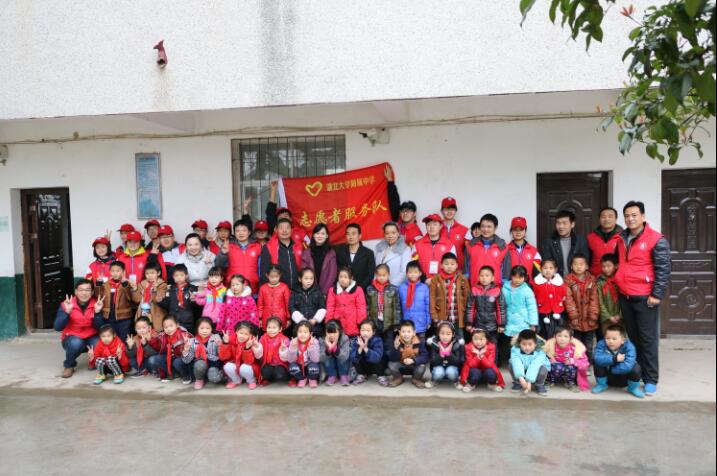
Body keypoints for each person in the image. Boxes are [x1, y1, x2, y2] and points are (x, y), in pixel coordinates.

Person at [614, 201, 670, 396]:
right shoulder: (621, 238)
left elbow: (663, 269)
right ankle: (636, 374)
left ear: (643, 216)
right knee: (634, 339)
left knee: (648, 340)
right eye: (627, 215)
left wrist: (656, 295)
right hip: (626, 296)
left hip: (645, 297)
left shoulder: (656, 239)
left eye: (634, 215)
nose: (630, 219)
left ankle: (651, 379)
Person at [53, 279, 101, 378]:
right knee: (76, 343)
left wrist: (97, 313)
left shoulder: (97, 304)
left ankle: (93, 361)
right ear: (76, 292)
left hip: (91, 336)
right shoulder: (66, 304)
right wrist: (67, 312)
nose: (84, 293)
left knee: (100, 343)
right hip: (72, 338)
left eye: (87, 290)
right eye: (81, 290)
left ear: (92, 292)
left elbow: (100, 327)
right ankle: (69, 366)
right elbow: (58, 327)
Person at [592, 324, 645, 398]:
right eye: (607, 338)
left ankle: (632, 388)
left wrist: (612, 369)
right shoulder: (601, 344)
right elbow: (597, 358)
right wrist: (614, 359)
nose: (610, 341)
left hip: (624, 379)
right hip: (608, 378)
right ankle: (602, 385)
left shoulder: (629, 347)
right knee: (598, 363)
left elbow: (628, 365)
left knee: (636, 367)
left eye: (614, 339)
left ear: (623, 340)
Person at [500, 265, 538, 367]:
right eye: (515, 277)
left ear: (525, 278)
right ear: (511, 276)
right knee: (508, 343)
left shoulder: (527, 290)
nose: (517, 280)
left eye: (520, 277)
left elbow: (532, 307)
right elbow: (500, 305)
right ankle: (510, 362)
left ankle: (522, 363)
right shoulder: (505, 288)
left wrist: (533, 323)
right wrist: (500, 321)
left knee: (521, 342)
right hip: (508, 319)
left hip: (522, 320)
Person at [564, 254, 599, 363]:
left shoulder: (592, 280)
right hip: (576, 320)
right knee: (577, 343)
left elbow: (594, 299)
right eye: (575, 264)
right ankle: (578, 363)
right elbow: (568, 300)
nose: (578, 267)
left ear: (587, 266)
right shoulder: (568, 280)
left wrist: (593, 316)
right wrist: (573, 316)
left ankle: (587, 363)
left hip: (589, 320)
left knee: (588, 344)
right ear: (571, 266)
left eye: (581, 264)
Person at [465, 265, 506, 354]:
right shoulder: (474, 290)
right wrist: (469, 323)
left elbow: (501, 309)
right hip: (478, 324)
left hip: (492, 325)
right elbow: (470, 308)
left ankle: (493, 362)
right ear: (478, 277)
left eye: (487, 276)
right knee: (477, 346)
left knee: (493, 347)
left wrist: (501, 324)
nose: (484, 278)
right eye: (482, 276)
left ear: (492, 278)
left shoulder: (497, 290)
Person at [429, 252, 470, 339]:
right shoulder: (436, 279)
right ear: (441, 265)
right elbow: (432, 298)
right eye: (446, 264)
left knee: (459, 341)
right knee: (442, 341)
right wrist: (434, 315)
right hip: (442, 317)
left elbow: (467, 298)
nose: (449, 266)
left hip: (458, 318)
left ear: (457, 265)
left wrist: (467, 316)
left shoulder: (462, 279)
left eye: (452, 264)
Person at [540, 210, 591, 278]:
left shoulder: (581, 241)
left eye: (564, 223)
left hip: (576, 281)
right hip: (556, 280)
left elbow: (585, 262)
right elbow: (546, 264)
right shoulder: (548, 242)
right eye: (558, 223)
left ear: (572, 224)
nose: (561, 226)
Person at [215, 218, 262, 292]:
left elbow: (261, 269)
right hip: (233, 288)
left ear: (249, 232)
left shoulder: (257, 246)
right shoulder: (228, 246)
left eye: (244, 230)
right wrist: (223, 253)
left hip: (253, 288)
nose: (241, 233)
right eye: (237, 231)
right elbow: (219, 266)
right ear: (234, 233)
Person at [465, 214, 508, 287]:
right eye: (483, 226)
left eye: (489, 227)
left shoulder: (503, 246)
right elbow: (466, 270)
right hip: (475, 288)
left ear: (495, 228)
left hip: (495, 289)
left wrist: (503, 285)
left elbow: (506, 271)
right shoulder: (471, 245)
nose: (485, 229)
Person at [95, 261, 134, 341]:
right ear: (109, 272)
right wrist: (99, 284)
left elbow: (130, 298)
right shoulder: (105, 284)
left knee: (124, 340)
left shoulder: (128, 283)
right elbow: (98, 296)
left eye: (118, 271)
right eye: (112, 271)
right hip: (109, 318)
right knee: (111, 340)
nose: (115, 273)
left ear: (123, 272)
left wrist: (125, 285)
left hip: (124, 318)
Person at [147, 315, 193, 383]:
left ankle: (186, 375)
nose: (169, 329)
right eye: (166, 327)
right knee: (157, 358)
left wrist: (186, 343)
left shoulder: (184, 334)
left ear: (177, 325)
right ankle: (173, 374)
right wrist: (151, 340)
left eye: (171, 326)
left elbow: (192, 350)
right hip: (170, 358)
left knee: (177, 362)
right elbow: (159, 348)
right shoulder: (163, 336)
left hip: (182, 359)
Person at [181, 317, 224, 389]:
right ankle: (199, 379)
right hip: (200, 366)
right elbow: (186, 361)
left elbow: (222, 356)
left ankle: (219, 373)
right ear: (197, 329)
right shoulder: (192, 341)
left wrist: (220, 346)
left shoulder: (216, 338)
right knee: (199, 363)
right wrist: (186, 350)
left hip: (213, 364)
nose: (204, 331)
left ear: (211, 329)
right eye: (202, 328)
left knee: (215, 378)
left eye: (207, 328)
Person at [259, 218, 303, 288]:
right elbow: (264, 272)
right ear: (276, 230)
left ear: (292, 230)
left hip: (297, 289)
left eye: (287, 228)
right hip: (277, 289)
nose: (284, 230)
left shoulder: (299, 246)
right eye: (281, 228)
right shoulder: (268, 247)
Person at [266, 181, 311, 247]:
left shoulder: (300, 232)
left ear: (290, 219)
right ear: (277, 220)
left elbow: (310, 247)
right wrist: (273, 190)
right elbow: (270, 212)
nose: (283, 217)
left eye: (286, 216)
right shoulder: (275, 230)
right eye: (281, 216)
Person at [385, 319, 429, 388]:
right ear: (399, 332)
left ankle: (416, 379)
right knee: (391, 364)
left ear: (414, 333)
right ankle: (398, 378)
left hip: (414, 366)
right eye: (403, 332)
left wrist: (414, 360)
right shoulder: (397, 342)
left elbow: (425, 357)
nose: (406, 334)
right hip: (401, 365)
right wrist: (396, 348)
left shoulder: (419, 342)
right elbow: (392, 358)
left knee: (422, 366)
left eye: (409, 332)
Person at [366, 264, 402, 346]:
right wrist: (368, 321)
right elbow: (367, 307)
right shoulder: (370, 288)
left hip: (389, 324)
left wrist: (396, 324)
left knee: (388, 344)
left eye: (384, 275)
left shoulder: (394, 289)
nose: (381, 277)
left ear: (388, 275)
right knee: (375, 344)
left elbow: (397, 308)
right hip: (374, 322)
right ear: (376, 275)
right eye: (379, 275)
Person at [544, 327, 590, 392]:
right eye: (559, 336)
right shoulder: (550, 346)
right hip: (555, 369)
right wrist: (549, 360)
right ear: (555, 337)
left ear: (571, 338)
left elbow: (584, 363)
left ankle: (569, 382)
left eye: (566, 336)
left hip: (569, 370)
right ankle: (549, 381)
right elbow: (542, 358)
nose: (562, 339)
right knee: (554, 366)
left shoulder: (576, 348)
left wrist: (572, 361)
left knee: (571, 367)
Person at [219, 321, 263, 390]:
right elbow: (223, 357)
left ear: (250, 335)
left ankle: (251, 381)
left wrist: (247, 348)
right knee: (227, 366)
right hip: (236, 365)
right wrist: (225, 343)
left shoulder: (251, 342)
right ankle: (236, 380)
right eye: (241, 333)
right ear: (236, 332)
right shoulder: (231, 340)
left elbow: (249, 362)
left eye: (246, 334)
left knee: (244, 367)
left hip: (249, 368)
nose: (242, 336)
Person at [326, 267, 367, 338]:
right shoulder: (332, 290)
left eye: (345, 277)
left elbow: (361, 307)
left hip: (353, 323)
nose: (342, 279)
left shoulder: (358, 290)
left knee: (353, 342)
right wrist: (329, 322)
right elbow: (330, 307)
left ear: (351, 278)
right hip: (338, 322)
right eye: (340, 277)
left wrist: (361, 323)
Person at [413, 214, 455, 283]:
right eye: (429, 224)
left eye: (435, 224)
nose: (432, 227)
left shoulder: (449, 245)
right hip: (422, 283)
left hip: (443, 283)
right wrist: (424, 279)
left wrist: (440, 280)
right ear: (426, 226)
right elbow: (413, 264)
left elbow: (452, 266)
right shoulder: (417, 244)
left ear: (440, 226)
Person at [532, 259, 567, 339]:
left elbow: (563, 296)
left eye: (551, 268)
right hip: (542, 312)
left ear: (555, 270)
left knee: (557, 333)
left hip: (557, 312)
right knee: (543, 333)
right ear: (541, 269)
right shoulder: (536, 283)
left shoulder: (560, 283)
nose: (548, 270)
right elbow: (534, 297)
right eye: (545, 268)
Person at [509, 329, 550, 396]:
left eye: (530, 344)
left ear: (535, 344)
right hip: (522, 369)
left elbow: (535, 365)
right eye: (524, 344)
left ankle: (539, 384)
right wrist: (521, 378)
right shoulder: (515, 350)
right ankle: (518, 382)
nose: (527, 347)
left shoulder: (541, 351)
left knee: (543, 368)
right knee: (511, 364)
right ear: (519, 343)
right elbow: (517, 363)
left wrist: (529, 381)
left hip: (535, 369)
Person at [335, 223, 376, 290]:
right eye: (348, 234)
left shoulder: (368, 253)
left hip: (362, 290)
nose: (350, 237)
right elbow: (338, 270)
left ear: (360, 236)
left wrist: (359, 289)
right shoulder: (340, 252)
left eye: (353, 234)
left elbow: (370, 275)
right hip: (343, 289)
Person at [158, 264, 198, 334]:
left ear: (186, 276)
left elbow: (198, 307)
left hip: (187, 322)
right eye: (176, 275)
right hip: (173, 322)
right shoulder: (170, 289)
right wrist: (160, 301)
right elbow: (167, 306)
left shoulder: (193, 289)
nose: (179, 277)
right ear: (173, 277)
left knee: (188, 338)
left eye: (181, 275)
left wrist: (194, 300)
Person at [301, 223, 338, 297]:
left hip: (327, 293)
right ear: (313, 235)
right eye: (317, 233)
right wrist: (311, 291)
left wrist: (324, 293)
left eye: (322, 233)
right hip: (309, 292)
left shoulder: (331, 252)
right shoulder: (307, 252)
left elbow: (332, 275)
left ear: (327, 236)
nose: (320, 236)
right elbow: (304, 273)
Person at [281, 320, 320, 388]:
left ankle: (312, 379)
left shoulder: (314, 342)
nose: (302, 334)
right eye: (300, 332)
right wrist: (293, 347)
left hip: (310, 365)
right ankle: (302, 379)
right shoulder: (293, 342)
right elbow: (290, 360)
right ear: (297, 333)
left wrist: (311, 347)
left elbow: (316, 360)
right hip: (299, 365)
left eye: (305, 332)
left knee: (314, 368)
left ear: (310, 334)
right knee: (292, 367)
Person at [425, 321, 464, 389]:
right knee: (438, 372)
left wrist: (449, 354)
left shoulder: (457, 343)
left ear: (453, 334)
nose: (445, 337)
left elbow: (459, 362)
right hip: (438, 367)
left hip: (452, 368)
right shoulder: (434, 343)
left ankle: (456, 381)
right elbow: (432, 361)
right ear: (438, 334)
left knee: (451, 371)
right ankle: (434, 380)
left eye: (448, 334)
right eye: (442, 333)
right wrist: (441, 355)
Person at [502, 217, 541, 283]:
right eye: (515, 229)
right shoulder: (505, 249)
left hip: (528, 286)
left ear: (525, 231)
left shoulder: (534, 251)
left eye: (521, 229)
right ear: (511, 231)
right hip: (510, 286)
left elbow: (538, 272)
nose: (518, 232)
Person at [398, 261, 431, 339]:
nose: (413, 274)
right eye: (410, 272)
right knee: (407, 345)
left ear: (420, 273)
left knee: (421, 344)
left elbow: (428, 305)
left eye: (415, 272)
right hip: (406, 325)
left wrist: (428, 321)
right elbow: (398, 307)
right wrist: (399, 322)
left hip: (421, 322)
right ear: (406, 274)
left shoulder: (424, 288)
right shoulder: (401, 288)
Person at [587, 207, 623, 277]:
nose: (606, 219)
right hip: (595, 277)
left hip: (616, 278)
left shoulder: (623, 237)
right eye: (603, 217)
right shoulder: (590, 237)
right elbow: (587, 259)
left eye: (610, 216)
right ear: (599, 219)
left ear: (616, 219)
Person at [130, 262, 167, 330]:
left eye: (152, 273)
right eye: (147, 273)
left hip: (156, 316)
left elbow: (158, 300)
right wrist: (135, 289)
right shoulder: (142, 284)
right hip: (142, 313)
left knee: (154, 334)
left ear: (158, 273)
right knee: (143, 332)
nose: (150, 275)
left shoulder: (162, 285)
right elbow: (136, 300)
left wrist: (155, 290)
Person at [289, 268, 327, 335]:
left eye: (311, 278)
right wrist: (300, 319)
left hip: (315, 328)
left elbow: (322, 307)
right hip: (299, 328)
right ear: (300, 279)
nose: (309, 281)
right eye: (306, 278)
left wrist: (315, 319)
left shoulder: (318, 291)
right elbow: (292, 307)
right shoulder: (295, 292)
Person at [374, 221, 412, 286]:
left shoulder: (405, 249)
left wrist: (390, 286)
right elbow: (375, 268)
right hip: (378, 286)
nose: (390, 236)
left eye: (393, 233)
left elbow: (404, 272)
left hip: (395, 287)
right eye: (387, 233)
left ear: (398, 233)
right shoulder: (379, 247)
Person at [439, 197, 470, 270]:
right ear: (441, 211)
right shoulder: (436, 229)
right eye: (446, 209)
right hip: (440, 270)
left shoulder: (465, 230)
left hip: (459, 271)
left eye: (452, 209)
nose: (449, 212)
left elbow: (469, 253)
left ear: (455, 211)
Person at [259, 317, 291, 386]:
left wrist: (283, 350)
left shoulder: (285, 340)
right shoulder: (262, 338)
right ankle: (268, 379)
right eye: (269, 327)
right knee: (265, 372)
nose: (271, 330)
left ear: (280, 329)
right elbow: (259, 355)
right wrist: (256, 346)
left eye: (274, 328)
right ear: (266, 328)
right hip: (268, 363)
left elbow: (287, 359)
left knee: (279, 374)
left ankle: (290, 378)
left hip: (281, 364)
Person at [351, 319, 385, 385]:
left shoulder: (377, 340)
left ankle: (381, 376)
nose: (365, 333)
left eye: (368, 330)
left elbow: (377, 358)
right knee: (356, 358)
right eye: (362, 330)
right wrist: (360, 348)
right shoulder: (357, 340)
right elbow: (353, 358)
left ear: (373, 332)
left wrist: (365, 348)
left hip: (375, 366)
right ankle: (362, 374)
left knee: (380, 359)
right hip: (365, 366)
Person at [258, 265, 291, 330]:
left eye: (276, 277)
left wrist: (288, 318)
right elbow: (260, 304)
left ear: (280, 275)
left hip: (281, 317)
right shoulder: (263, 288)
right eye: (271, 277)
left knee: (279, 332)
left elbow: (288, 304)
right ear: (267, 275)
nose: (274, 279)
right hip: (266, 317)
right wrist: (260, 318)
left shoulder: (284, 287)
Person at [319, 320, 351, 386]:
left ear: (339, 331)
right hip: (330, 365)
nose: (332, 335)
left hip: (342, 364)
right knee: (327, 358)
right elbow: (321, 358)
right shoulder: (322, 340)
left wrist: (335, 348)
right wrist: (328, 350)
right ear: (325, 332)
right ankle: (332, 375)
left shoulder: (344, 338)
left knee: (342, 357)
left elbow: (345, 357)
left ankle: (343, 375)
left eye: (335, 332)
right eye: (329, 332)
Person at [596, 253, 622, 335]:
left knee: (620, 336)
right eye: (603, 266)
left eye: (609, 266)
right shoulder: (599, 282)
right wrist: (608, 316)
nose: (606, 269)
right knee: (607, 336)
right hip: (606, 318)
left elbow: (624, 300)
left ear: (616, 266)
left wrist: (620, 315)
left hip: (620, 317)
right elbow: (599, 301)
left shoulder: (620, 280)